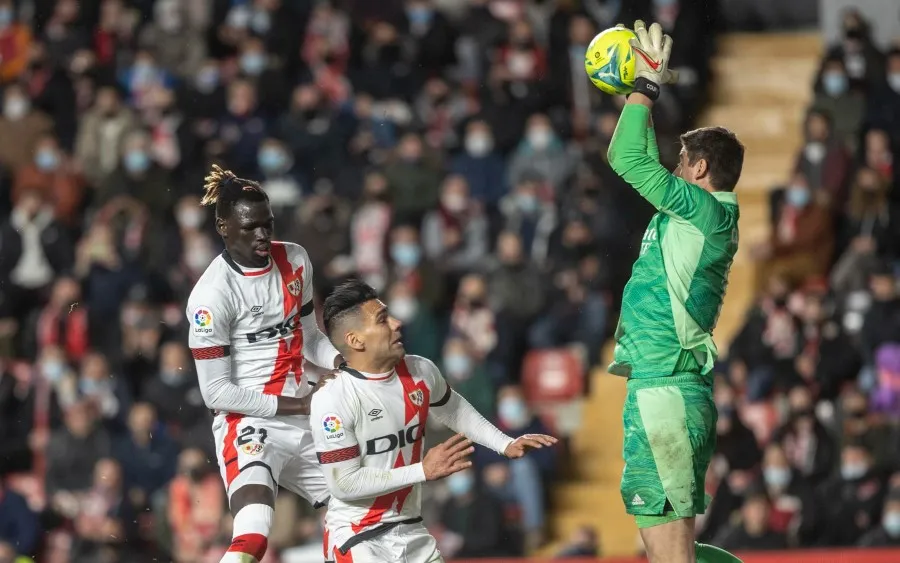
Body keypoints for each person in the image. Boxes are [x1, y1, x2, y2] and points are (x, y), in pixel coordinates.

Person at [606, 20, 744, 563]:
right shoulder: (702, 216)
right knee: (675, 551)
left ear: (700, 167)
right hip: (670, 391)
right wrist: (641, 93)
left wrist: (645, 89)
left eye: (682, 162)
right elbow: (637, 157)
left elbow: (626, 159)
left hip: (664, 393)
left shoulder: (700, 210)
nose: (675, 169)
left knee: (670, 558)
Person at [311, 279, 556, 562]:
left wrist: (504, 443)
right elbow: (344, 483)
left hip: (411, 529)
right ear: (355, 340)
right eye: (382, 319)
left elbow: (454, 410)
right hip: (358, 537)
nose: (397, 323)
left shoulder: (420, 370)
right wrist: (422, 470)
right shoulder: (333, 398)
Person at [185, 164, 345, 563]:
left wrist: (342, 362)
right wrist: (301, 403)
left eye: (267, 224)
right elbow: (215, 393)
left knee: (355, 516)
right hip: (249, 422)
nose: (262, 235)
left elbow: (309, 335)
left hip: (305, 417)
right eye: (250, 226)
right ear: (223, 227)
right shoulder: (211, 297)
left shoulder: (295, 259)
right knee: (254, 534)